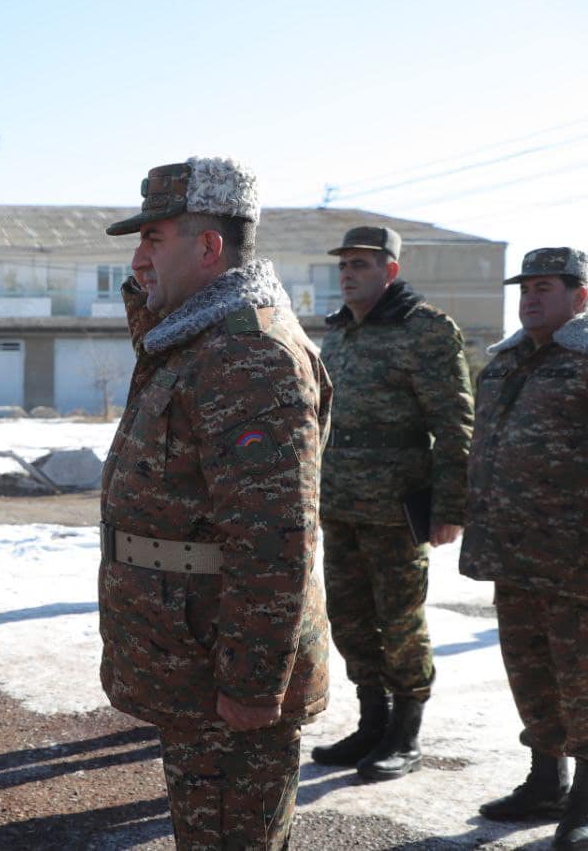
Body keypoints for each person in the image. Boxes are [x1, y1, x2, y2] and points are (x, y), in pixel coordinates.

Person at [99, 157, 331, 850]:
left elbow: (275, 537)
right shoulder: (196, 338)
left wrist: (254, 684)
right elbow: (151, 331)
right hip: (194, 654)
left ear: (209, 247)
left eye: (154, 239)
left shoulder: (250, 353)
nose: (138, 258)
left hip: (227, 668)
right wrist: (148, 285)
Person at [311, 226, 474, 781]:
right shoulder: (338, 331)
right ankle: (371, 723)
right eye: (344, 264)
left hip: (396, 508)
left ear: (391, 271)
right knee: (349, 619)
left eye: (361, 264)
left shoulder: (425, 329)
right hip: (339, 503)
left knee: (400, 622)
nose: (348, 273)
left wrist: (450, 507)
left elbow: (454, 424)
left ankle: (406, 734)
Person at [461, 247, 588, 849]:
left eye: (545, 288)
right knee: (529, 672)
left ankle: (584, 798)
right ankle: (545, 780)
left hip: (575, 560)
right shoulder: (504, 364)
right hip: (510, 553)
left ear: (580, 297)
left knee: (581, 678)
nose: (530, 298)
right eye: (525, 288)